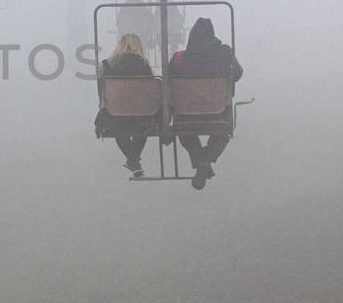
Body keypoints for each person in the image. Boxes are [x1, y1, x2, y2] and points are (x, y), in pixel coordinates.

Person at [167, 17, 243, 190]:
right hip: (217, 112)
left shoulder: (179, 58)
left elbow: (168, 82)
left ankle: (201, 158)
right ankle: (206, 158)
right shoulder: (224, 53)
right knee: (223, 131)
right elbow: (237, 74)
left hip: (186, 113)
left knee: (184, 131)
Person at [95, 33, 155, 178]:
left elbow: (102, 91)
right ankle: (133, 162)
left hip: (116, 114)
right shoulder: (144, 66)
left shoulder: (107, 65)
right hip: (140, 114)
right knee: (143, 128)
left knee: (119, 131)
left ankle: (134, 162)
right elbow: (151, 90)